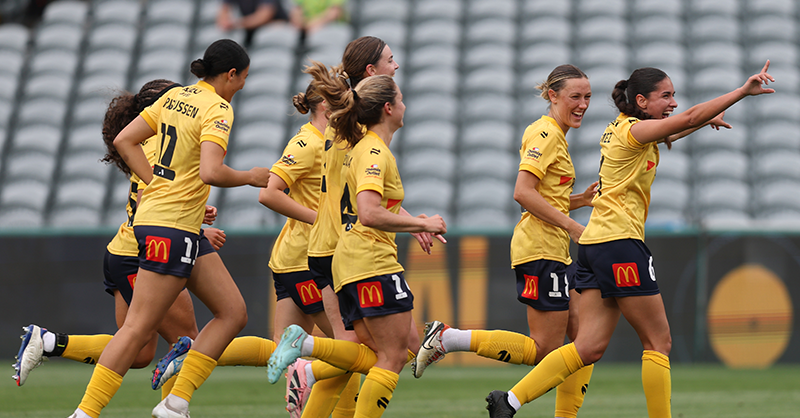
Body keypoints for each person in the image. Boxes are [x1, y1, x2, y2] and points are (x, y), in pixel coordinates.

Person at [485, 61, 775, 418]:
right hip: (619, 243)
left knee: (587, 347)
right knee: (658, 342)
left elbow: (675, 128)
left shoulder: (620, 128)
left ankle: (509, 401)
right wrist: (741, 93)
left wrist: (700, 122)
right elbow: (684, 119)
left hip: (594, 245)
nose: (673, 101)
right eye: (665, 95)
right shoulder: (631, 133)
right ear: (641, 100)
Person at [66, 39, 271, 418]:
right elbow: (211, 171)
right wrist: (250, 176)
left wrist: (157, 183)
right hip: (171, 229)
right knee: (137, 330)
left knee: (233, 312)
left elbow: (124, 140)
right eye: (242, 78)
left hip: (166, 224)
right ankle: (85, 413)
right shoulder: (218, 108)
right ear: (230, 74)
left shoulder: (175, 98)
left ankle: (175, 404)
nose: (242, 85)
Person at [12, 80, 223, 399]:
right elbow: (149, 206)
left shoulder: (152, 143)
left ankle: (50, 342)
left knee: (138, 353)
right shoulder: (156, 147)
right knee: (185, 340)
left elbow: (155, 198)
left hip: (122, 254)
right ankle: (172, 408)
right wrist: (198, 228)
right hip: (144, 254)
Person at [412, 64, 598, 418]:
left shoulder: (555, 134)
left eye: (587, 97)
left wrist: (579, 201)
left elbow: (544, 196)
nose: (583, 104)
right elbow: (523, 193)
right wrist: (574, 226)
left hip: (551, 248)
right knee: (546, 350)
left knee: (583, 339)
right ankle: (448, 339)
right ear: (552, 95)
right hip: (541, 249)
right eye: (575, 96)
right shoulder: (545, 134)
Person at [266, 63, 447, 418]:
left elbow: (371, 198)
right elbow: (368, 210)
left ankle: (307, 360)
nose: (395, 67)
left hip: (340, 252)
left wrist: (413, 220)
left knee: (374, 351)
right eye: (389, 63)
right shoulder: (367, 147)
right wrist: (417, 223)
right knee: (394, 354)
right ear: (387, 105)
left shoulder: (345, 137)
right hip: (354, 252)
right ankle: (308, 355)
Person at [216, 0, 289, 47]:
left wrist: (237, 24)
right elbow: (224, 10)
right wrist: (225, 22)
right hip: (249, 30)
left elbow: (265, 15)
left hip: (273, 30)